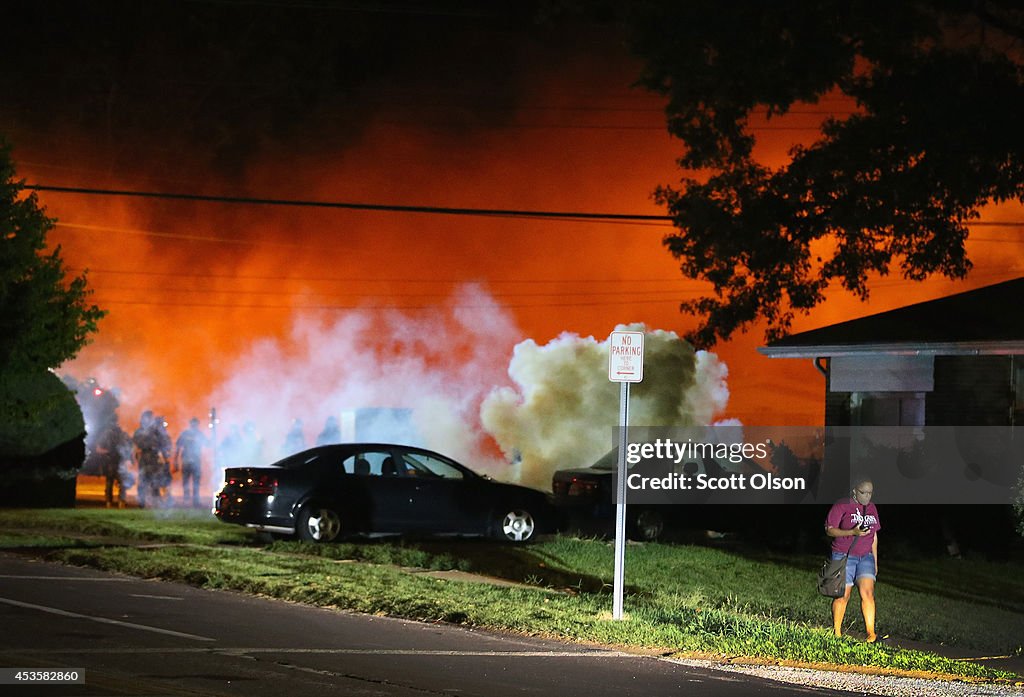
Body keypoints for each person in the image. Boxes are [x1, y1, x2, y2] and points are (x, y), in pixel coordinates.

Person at [825, 477, 881, 642]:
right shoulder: (842, 505)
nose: (867, 496)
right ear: (854, 491)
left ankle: (871, 634)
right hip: (843, 555)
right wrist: (852, 532)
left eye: (870, 493)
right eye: (863, 492)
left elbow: (874, 535)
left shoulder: (872, 508)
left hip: (866, 557)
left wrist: (875, 561)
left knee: (868, 593)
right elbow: (830, 530)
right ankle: (836, 632)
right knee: (843, 595)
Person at [133, 410, 172, 508]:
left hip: (154, 459)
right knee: (143, 481)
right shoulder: (140, 431)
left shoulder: (156, 431)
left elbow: (165, 443)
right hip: (145, 458)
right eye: (147, 418)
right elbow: (137, 443)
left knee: (155, 481)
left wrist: (165, 456)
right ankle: (142, 503)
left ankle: (156, 502)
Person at [95, 422, 132, 508]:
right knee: (119, 482)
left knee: (110, 482)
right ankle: (118, 502)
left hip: (113, 462)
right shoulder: (120, 435)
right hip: (114, 462)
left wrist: (107, 452)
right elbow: (129, 448)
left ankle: (110, 502)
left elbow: (98, 449)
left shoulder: (107, 434)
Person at [174, 417, 208, 507]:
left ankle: (196, 501)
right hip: (186, 460)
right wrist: (175, 460)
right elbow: (178, 447)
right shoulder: (185, 434)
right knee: (186, 482)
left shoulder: (200, 434)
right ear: (190, 424)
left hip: (196, 461)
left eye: (195, 424)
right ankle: (186, 500)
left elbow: (208, 444)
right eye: (193, 423)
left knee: (196, 482)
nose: (194, 425)